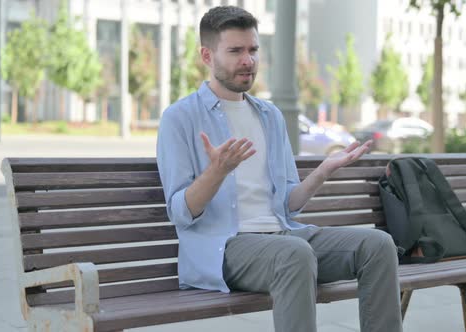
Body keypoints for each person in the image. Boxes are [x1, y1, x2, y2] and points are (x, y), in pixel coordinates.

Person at [156, 6, 402, 332]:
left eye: (253, 50)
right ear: (207, 55)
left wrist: (322, 171)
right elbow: (180, 213)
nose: (248, 60)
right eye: (235, 51)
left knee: (377, 245)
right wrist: (217, 172)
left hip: (284, 236)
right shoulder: (180, 117)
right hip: (224, 247)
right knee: (294, 254)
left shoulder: (269, 116)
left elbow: (288, 203)